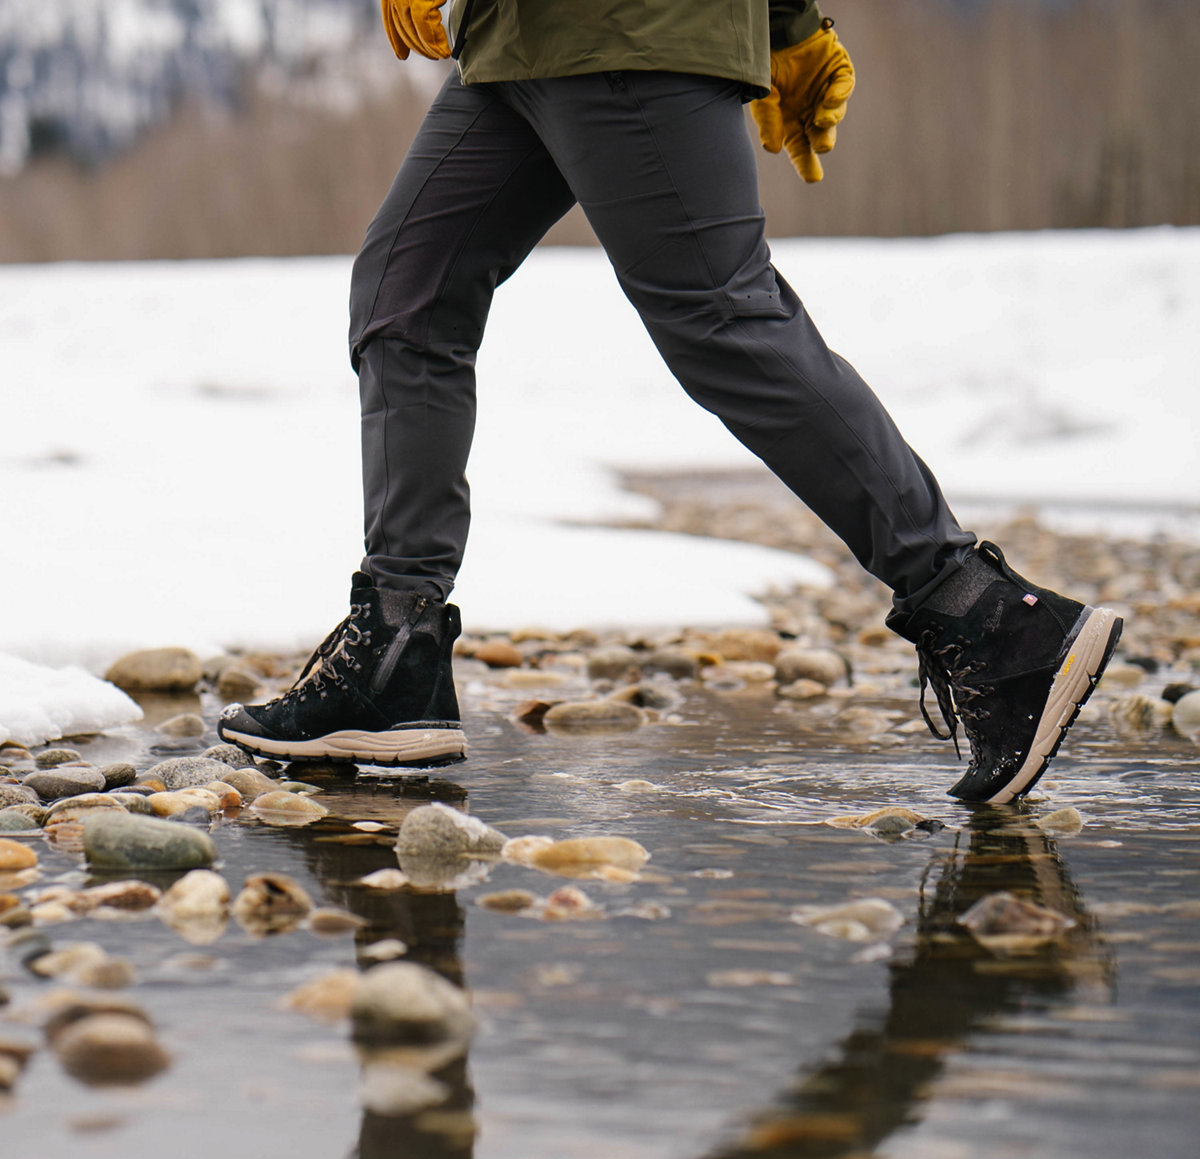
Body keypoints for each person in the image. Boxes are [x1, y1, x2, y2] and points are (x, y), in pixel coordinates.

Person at [218, 0, 1123, 804]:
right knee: (404, 296)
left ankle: (988, 618)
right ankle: (394, 651)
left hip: (626, 28)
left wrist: (784, 26)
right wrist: (787, 25)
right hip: (518, 39)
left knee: (721, 320)